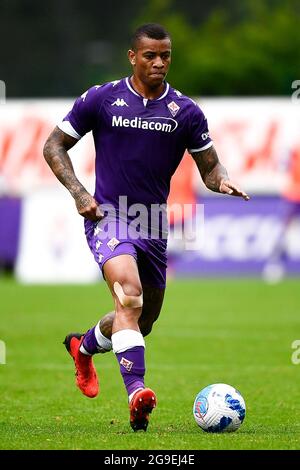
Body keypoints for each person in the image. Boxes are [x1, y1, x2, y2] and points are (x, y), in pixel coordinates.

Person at [43, 23, 249, 432]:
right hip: (109, 216)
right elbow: (54, 146)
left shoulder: (185, 111)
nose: (159, 63)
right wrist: (80, 195)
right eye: (151, 55)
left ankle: (82, 347)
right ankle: (137, 391)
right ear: (133, 57)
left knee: (142, 319)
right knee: (130, 297)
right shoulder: (102, 98)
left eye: (166, 55)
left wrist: (221, 180)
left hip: (153, 221)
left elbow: (209, 168)